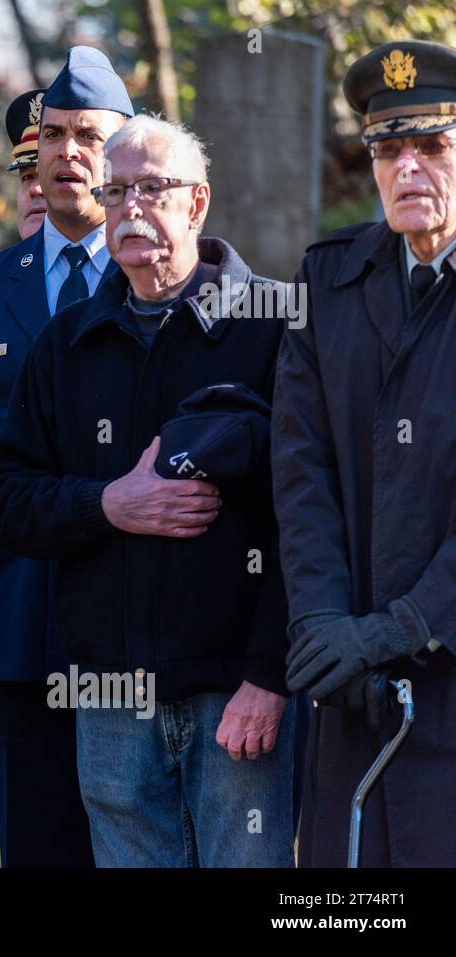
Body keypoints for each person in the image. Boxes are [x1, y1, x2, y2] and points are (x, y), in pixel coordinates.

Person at [0, 115, 299, 867]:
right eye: (113, 190)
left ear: (197, 203)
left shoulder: (275, 326)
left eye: (151, 189)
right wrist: (106, 504)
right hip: (111, 696)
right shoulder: (67, 342)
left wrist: (269, 676)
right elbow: (5, 494)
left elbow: (310, 521)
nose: (129, 208)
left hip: (236, 693)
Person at [0, 48, 132, 867]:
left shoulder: (157, 278)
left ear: (124, 153)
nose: (65, 151)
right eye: (52, 134)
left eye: (88, 135)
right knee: (39, 846)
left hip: (143, 627)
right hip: (21, 626)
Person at [275, 39, 456, 867]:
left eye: (433, 145)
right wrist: (322, 623)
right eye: (389, 149)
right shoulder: (329, 281)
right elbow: (300, 467)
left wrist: (402, 627)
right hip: (350, 685)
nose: (408, 167)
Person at [7, 88, 48, 239]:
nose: (35, 189)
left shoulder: (122, 261)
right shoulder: (0, 264)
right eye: (27, 177)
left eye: (48, 174)